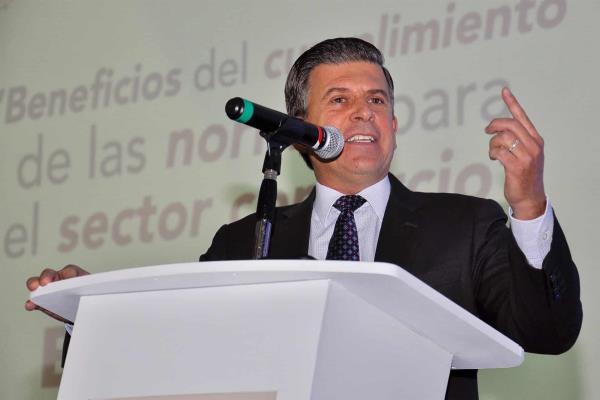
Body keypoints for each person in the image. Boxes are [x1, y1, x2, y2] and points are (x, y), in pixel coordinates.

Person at [26, 38, 582, 400]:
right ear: (298, 132)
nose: (363, 113)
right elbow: (180, 352)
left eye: (378, 101)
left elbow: (548, 332)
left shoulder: (466, 225)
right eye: (339, 100)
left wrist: (529, 205)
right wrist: (89, 312)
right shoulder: (242, 241)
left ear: (393, 124)